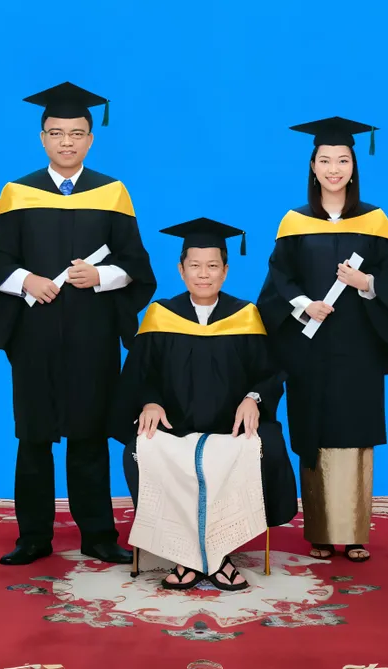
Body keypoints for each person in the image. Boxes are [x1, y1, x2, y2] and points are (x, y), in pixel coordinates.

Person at [0, 82, 157, 566]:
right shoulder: (17, 194)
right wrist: (26, 280)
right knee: (33, 437)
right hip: (33, 336)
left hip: (91, 334)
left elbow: (136, 266)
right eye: (57, 133)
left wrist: (100, 275)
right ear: (42, 137)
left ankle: (98, 534)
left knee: (89, 435)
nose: (67, 142)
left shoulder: (112, 194)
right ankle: (32, 537)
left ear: (91, 138)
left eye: (77, 133)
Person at [257, 116, 388, 563]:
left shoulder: (375, 221)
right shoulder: (293, 222)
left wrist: (365, 281)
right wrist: (304, 303)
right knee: (316, 430)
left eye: (342, 160)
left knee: (355, 431)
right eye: (325, 160)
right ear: (312, 165)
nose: (333, 168)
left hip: (358, 349)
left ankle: (355, 532)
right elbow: (277, 283)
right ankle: (322, 533)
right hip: (310, 348)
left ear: (353, 165)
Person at [113, 218, 298, 590]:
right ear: (180, 270)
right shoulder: (159, 315)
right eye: (194, 266)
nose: (203, 274)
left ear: (226, 271)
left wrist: (253, 397)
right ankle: (188, 554)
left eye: (212, 266)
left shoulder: (246, 316)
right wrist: (149, 402)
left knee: (265, 446)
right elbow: (141, 375)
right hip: (175, 427)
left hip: (229, 427)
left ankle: (217, 552)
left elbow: (270, 372)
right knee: (140, 449)